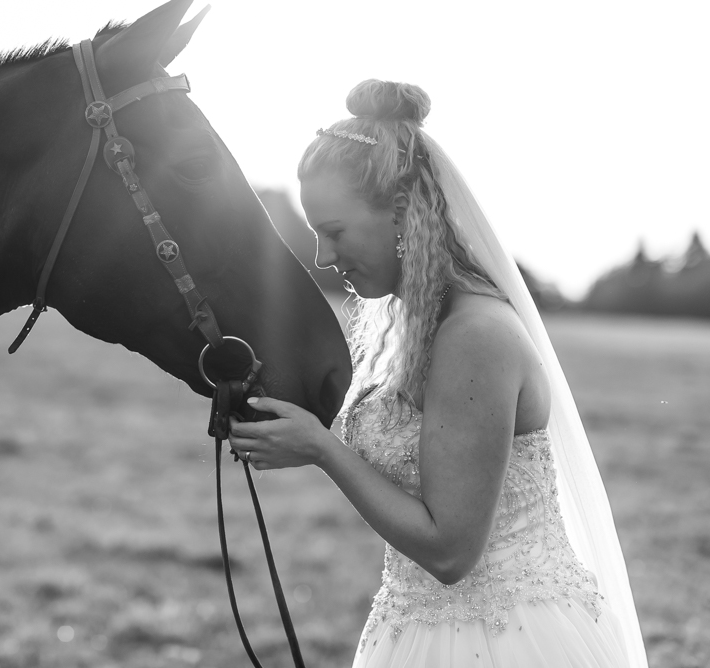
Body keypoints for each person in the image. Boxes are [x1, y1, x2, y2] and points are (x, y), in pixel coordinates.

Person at [226, 80, 647, 667]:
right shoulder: (417, 325)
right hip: (414, 627)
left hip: (510, 638)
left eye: (336, 231)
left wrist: (324, 450)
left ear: (402, 214)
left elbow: (451, 552)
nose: (322, 255)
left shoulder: (474, 336)